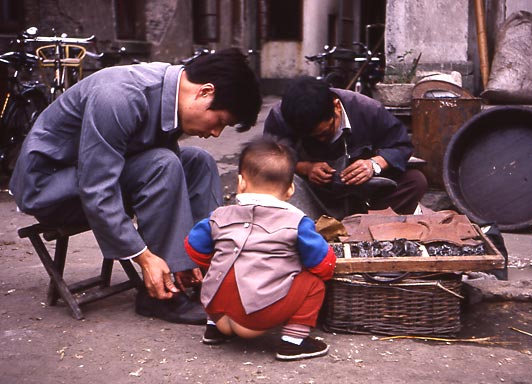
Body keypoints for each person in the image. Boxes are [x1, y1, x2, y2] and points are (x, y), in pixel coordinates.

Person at [9, 48, 262, 325]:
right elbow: (97, 187)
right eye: (220, 122)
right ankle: (159, 296)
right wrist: (145, 258)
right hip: (50, 189)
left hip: (94, 174)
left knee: (198, 162)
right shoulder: (119, 96)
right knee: (161, 164)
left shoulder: (171, 91)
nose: (215, 133)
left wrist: (184, 254)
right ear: (205, 92)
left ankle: (203, 267)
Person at [184, 137, 336, 361]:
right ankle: (293, 342)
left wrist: (216, 263)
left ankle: (214, 331)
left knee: (223, 267)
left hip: (215, 308)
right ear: (291, 189)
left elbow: (193, 246)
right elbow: (323, 263)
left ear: (240, 182)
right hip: (255, 320)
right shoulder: (297, 222)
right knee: (314, 283)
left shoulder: (219, 216)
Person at [263, 75, 427, 220]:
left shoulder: (368, 110)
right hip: (313, 193)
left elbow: (401, 145)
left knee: (415, 181)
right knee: (271, 185)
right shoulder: (281, 117)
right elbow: (267, 160)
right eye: (312, 137)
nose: (321, 140)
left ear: (337, 107)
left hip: (361, 192)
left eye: (325, 132)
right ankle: (309, 226)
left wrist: (374, 164)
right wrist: (304, 168)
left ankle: (370, 223)